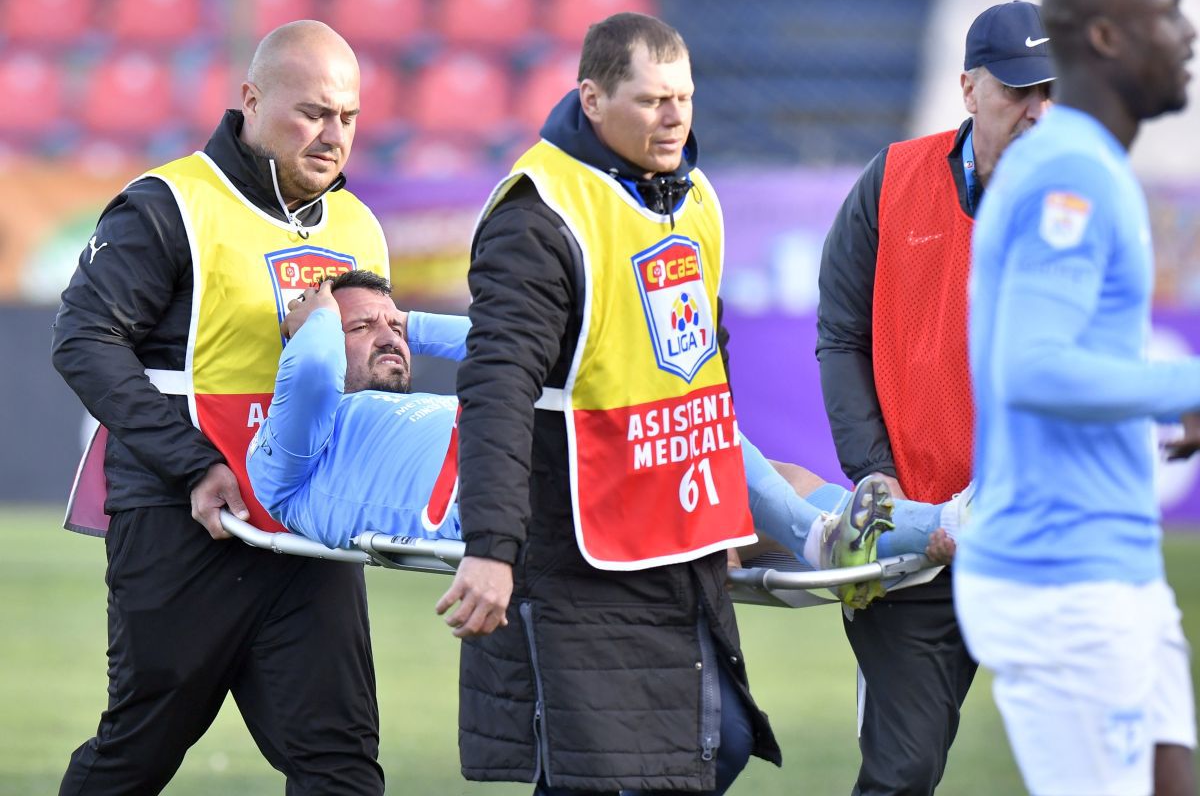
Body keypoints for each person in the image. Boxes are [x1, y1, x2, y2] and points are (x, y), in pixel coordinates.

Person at [420, 12, 772, 795]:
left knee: (721, 745)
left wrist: (720, 513)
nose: (674, 116)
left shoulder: (694, 194)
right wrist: (491, 547)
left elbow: (705, 370)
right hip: (580, 545)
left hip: (675, 538)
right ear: (592, 99)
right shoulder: (536, 215)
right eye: (650, 100)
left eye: (682, 97)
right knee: (614, 773)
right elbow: (496, 386)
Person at [50, 21, 388, 794]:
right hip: (180, 523)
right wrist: (196, 465)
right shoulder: (168, 204)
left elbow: (363, 382)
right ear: (250, 100)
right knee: (135, 756)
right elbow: (83, 341)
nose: (333, 136)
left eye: (348, 118)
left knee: (341, 766)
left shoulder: (359, 225)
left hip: (306, 529)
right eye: (312, 113)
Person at [246, 273, 960, 572]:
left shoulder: (400, 408)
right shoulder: (291, 449)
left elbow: (518, 353)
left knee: (783, 480)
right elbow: (311, 371)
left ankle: (926, 527)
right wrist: (312, 317)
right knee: (675, 415)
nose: (389, 337)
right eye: (360, 328)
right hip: (512, 493)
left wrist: (408, 323)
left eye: (392, 323)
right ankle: (891, 530)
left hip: (534, 459)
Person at [957, 0, 1199, 793]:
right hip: (1064, 582)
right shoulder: (1073, 172)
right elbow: (1035, 369)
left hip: (1113, 566)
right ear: (1106, 36)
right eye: (1167, 14)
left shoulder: (1075, 159)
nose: (1188, 30)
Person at [815, 1, 1053, 793]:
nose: (1037, 109)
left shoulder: (1076, 209)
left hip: (1035, 543)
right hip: (915, 541)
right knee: (905, 770)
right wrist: (873, 473)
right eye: (1018, 90)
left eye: (1049, 90)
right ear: (967, 90)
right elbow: (841, 335)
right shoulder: (891, 179)